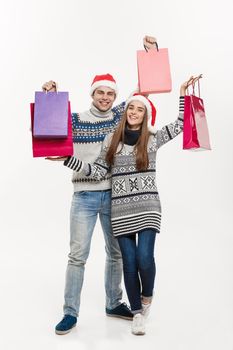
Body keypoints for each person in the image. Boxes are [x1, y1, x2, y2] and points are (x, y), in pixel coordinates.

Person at [62, 75, 201, 335]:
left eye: (140, 109)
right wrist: (66, 159)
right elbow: (96, 170)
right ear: (123, 112)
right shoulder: (109, 140)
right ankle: (132, 312)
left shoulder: (152, 138)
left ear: (145, 114)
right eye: (131, 108)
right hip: (119, 208)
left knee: (143, 258)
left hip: (147, 207)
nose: (135, 112)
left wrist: (182, 94)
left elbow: (181, 123)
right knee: (120, 260)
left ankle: (140, 298)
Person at [43, 35, 158, 335]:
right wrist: (50, 98)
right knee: (77, 256)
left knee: (116, 253)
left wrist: (151, 53)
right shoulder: (76, 120)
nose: (106, 97)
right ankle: (70, 312)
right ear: (92, 94)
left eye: (110, 93)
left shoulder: (122, 117)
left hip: (116, 197)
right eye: (100, 93)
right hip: (83, 195)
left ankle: (112, 302)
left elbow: (142, 93)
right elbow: (47, 125)